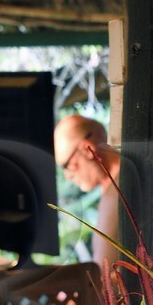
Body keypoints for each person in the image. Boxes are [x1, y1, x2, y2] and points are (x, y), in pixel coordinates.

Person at [53, 114, 122, 265]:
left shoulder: (118, 189)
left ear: (87, 149)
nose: (67, 176)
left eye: (67, 165)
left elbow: (106, 276)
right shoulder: (112, 188)